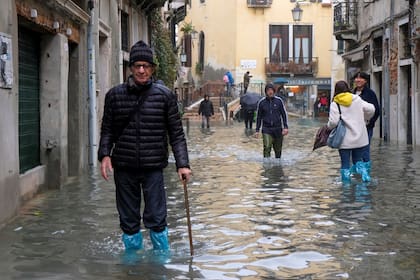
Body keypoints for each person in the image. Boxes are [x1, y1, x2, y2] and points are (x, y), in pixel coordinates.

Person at [97, 40, 192, 252]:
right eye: (137, 65)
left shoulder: (165, 96)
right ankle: (131, 264)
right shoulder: (114, 96)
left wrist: (182, 164)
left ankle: (160, 262)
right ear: (130, 68)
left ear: (152, 68)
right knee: (128, 219)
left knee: (157, 217)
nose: (141, 70)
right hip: (124, 167)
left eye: (146, 66)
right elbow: (107, 129)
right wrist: (104, 155)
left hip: (153, 168)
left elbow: (176, 134)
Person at [328, 80, 375, 184]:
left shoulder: (335, 103)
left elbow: (333, 122)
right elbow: (371, 109)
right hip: (359, 138)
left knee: (345, 163)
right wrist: (366, 118)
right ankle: (365, 176)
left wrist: (328, 127)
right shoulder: (357, 99)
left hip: (344, 140)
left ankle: (346, 186)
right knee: (358, 161)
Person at [352, 71, 380, 176]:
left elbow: (376, 111)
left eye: (361, 78)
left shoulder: (370, 93)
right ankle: (356, 172)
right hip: (353, 127)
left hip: (366, 127)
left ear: (366, 80)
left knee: (364, 149)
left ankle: (366, 173)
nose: (358, 80)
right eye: (356, 78)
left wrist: (369, 123)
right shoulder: (352, 93)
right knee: (354, 149)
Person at [255, 83, 289, 158]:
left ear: (274, 91)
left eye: (271, 90)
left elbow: (284, 114)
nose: (270, 92)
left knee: (278, 151)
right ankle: (266, 167)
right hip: (266, 129)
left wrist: (285, 127)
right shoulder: (262, 103)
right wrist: (257, 130)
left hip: (278, 129)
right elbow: (259, 117)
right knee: (267, 147)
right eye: (268, 90)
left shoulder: (279, 101)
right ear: (266, 92)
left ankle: (278, 168)